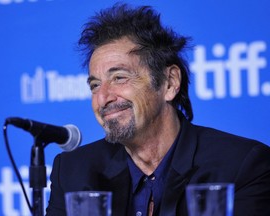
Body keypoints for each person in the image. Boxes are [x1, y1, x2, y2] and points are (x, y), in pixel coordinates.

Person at [46, 3, 270, 216]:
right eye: (95, 85)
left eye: (119, 78)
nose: (103, 98)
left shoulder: (242, 166)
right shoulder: (73, 172)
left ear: (169, 83)